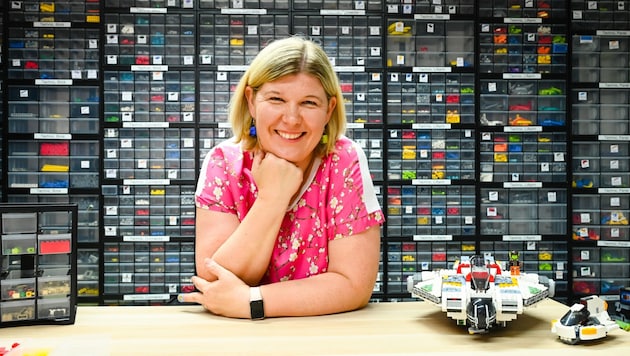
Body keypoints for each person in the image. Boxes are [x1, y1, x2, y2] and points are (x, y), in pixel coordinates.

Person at [178, 36, 384, 319]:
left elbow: (353, 284)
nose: (291, 118)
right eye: (276, 99)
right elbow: (216, 281)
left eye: (308, 103)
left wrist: (253, 301)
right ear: (251, 101)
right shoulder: (223, 162)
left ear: (329, 109)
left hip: (326, 335)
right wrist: (272, 197)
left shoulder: (344, 160)